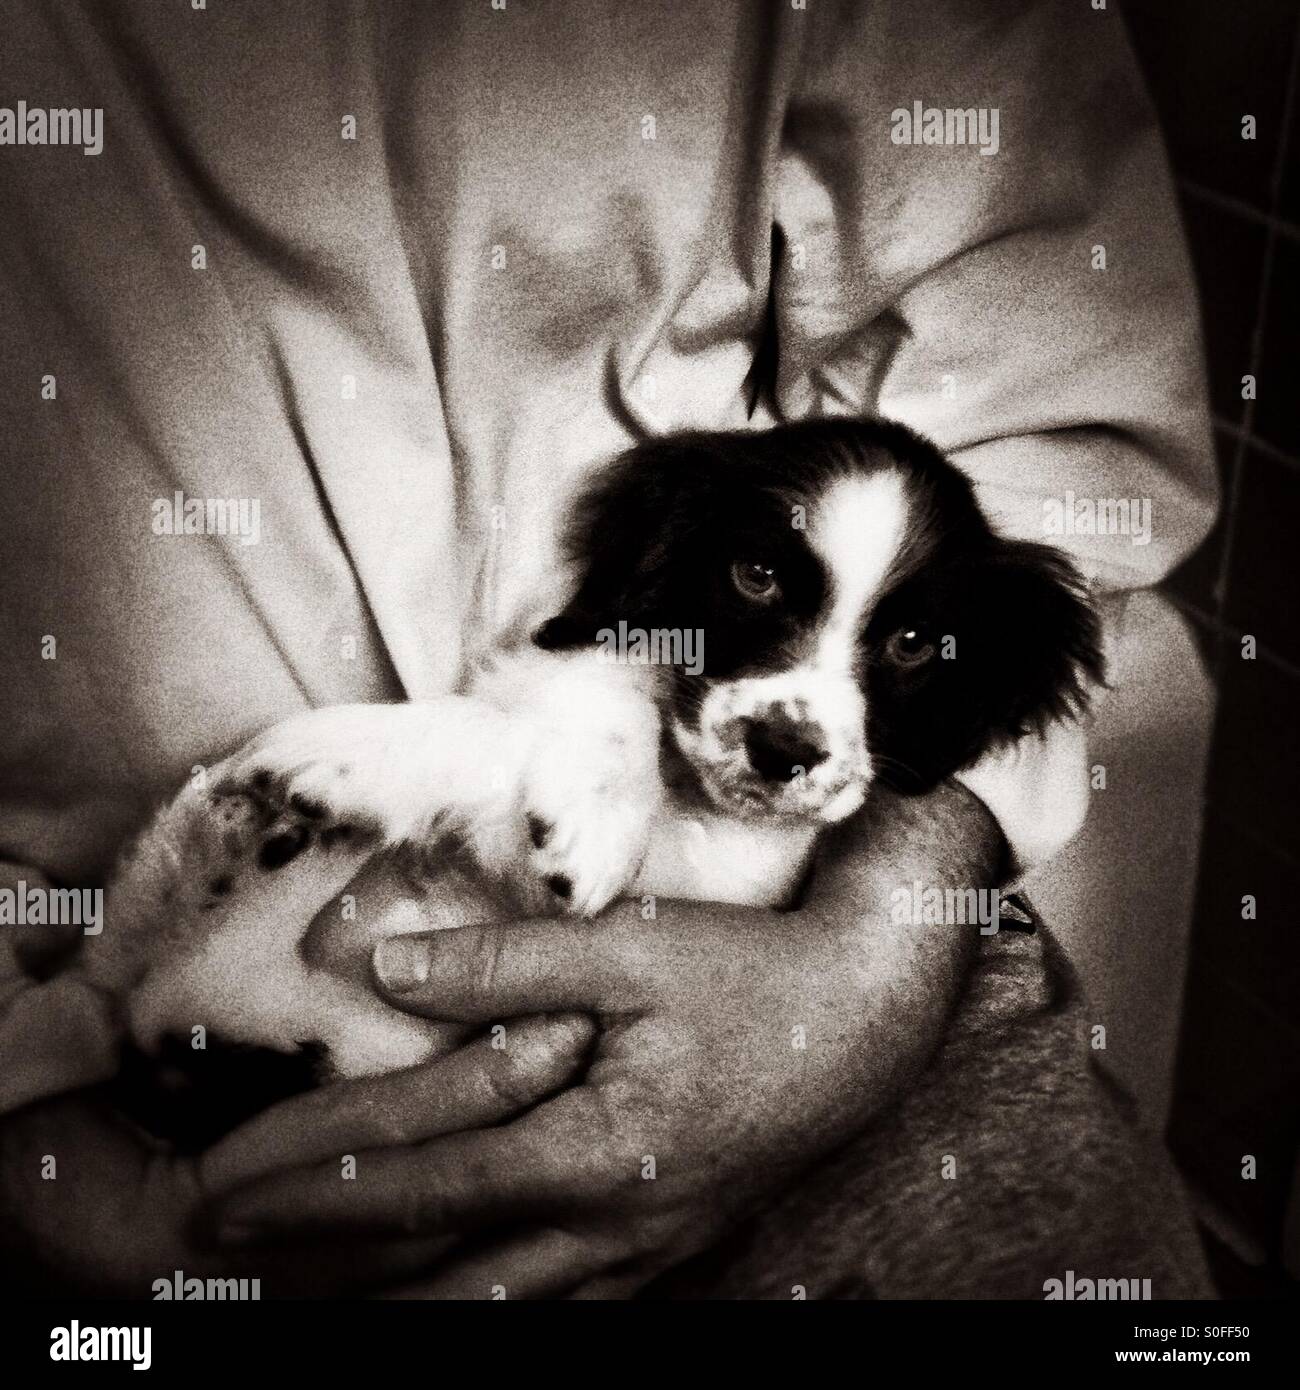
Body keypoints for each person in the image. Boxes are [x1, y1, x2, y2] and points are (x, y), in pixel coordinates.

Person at [0, 0, 1215, 1296]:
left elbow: (1045, 452)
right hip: (110, 999)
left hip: (831, 929)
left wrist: (875, 958)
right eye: (764, 575)